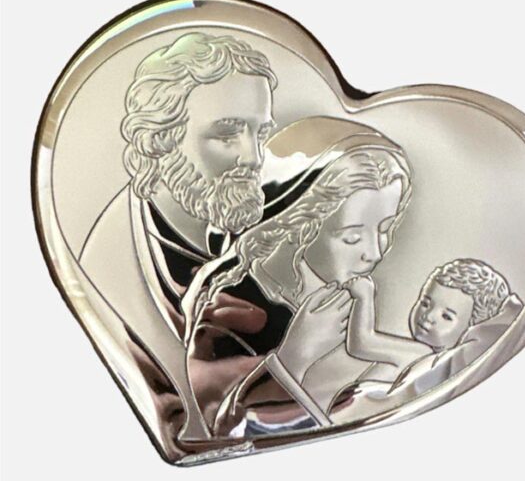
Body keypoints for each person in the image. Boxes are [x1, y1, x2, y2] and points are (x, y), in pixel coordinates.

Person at [78, 33, 347, 450]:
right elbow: (201, 420)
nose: (253, 158)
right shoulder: (106, 266)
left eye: (260, 134)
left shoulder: (263, 235)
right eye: (227, 134)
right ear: (160, 139)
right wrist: (293, 361)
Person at [186, 121, 420, 436]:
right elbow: (215, 427)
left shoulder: (342, 297)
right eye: (351, 237)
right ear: (301, 231)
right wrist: (294, 357)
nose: (374, 253)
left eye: (385, 229)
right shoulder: (232, 310)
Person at [328, 258, 523, 424]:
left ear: (470, 329)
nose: (428, 317)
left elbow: (361, 343)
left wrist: (364, 297)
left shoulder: (422, 356)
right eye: (425, 303)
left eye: (446, 316)